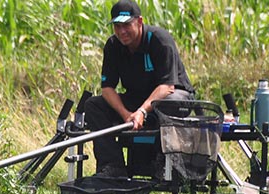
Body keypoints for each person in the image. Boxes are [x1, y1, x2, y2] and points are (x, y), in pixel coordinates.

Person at [83, 0, 195, 178]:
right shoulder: (112, 45)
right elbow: (107, 88)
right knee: (93, 105)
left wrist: (142, 111)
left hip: (172, 96)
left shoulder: (160, 40)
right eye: (117, 26)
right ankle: (112, 166)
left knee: (169, 103)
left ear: (140, 21)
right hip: (136, 98)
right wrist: (126, 114)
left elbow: (167, 86)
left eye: (127, 25)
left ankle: (164, 163)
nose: (122, 32)